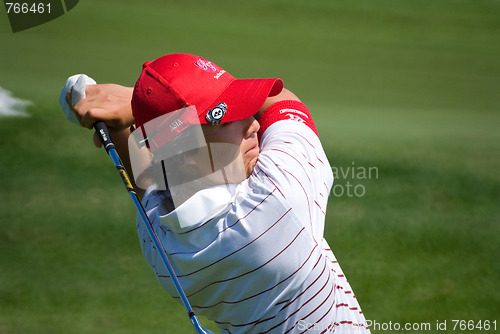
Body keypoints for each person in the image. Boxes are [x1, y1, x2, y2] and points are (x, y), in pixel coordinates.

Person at [65, 53, 370, 333]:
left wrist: (130, 125)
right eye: (226, 118)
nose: (252, 125)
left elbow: (151, 177)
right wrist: (132, 106)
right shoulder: (279, 197)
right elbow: (281, 101)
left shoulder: (160, 242)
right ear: (184, 150)